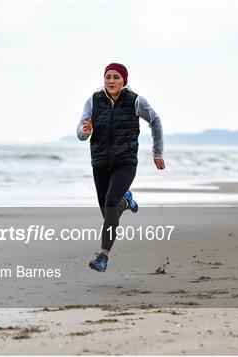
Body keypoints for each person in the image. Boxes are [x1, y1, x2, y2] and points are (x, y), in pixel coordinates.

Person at [77, 63, 165, 272]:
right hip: (99, 163)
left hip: (125, 162)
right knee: (108, 212)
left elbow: (155, 121)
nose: (111, 81)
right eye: (108, 77)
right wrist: (85, 131)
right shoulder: (93, 100)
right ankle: (126, 201)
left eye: (116, 77)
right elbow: (80, 132)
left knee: (110, 202)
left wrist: (157, 152)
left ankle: (103, 257)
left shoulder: (135, 100)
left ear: (124, 80)